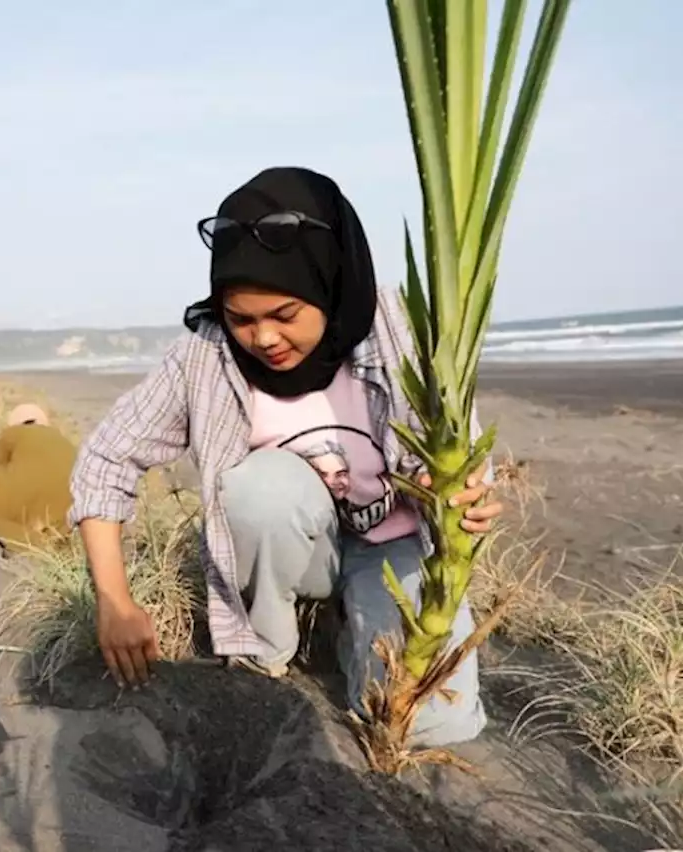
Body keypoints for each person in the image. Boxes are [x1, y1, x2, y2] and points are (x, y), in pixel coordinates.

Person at [68, 167, 503, 748]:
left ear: (329, 285)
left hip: (397, 548)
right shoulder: (206, 354)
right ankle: (265, 652)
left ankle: (350, 627)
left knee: (429, 725)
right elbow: (105, 459)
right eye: (242, 318)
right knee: (260, 490)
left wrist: (463, 492)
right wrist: (115, 602)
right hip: (295, 545)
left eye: (283, 315)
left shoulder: (404, 333)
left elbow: (465, 457)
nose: (263, 339)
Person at [0, 404, 78, 551]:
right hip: (64, 516)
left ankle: (2, 516)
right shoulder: (62, 439)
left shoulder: (13, 432)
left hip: (22, 506)